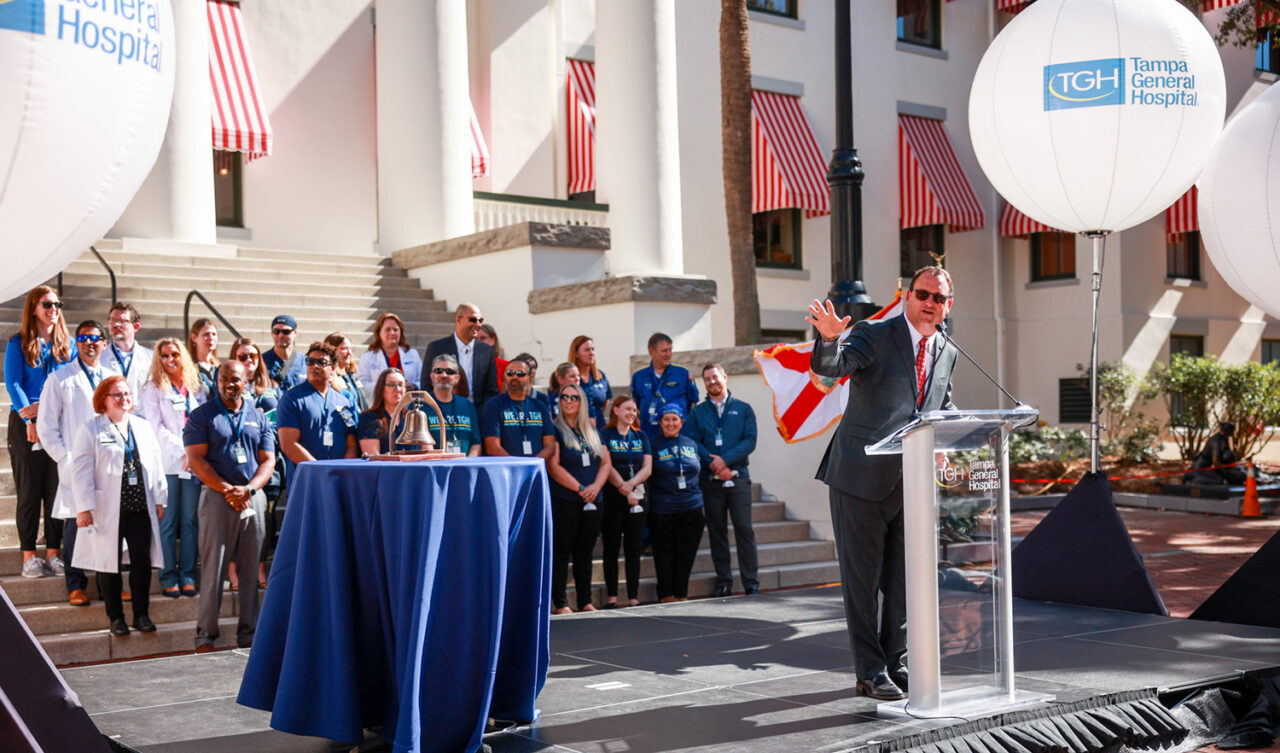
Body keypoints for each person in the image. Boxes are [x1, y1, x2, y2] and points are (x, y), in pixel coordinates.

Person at [805, 265, 959, 701]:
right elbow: (832, 367)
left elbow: (940, 405)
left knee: (903, 581)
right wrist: (831, 338)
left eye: (939, 298)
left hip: (909, 479)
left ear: (949, 306)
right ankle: (870, 671)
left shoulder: (947, 349)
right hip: (858, 475)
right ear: (908, 297)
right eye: (923, 294)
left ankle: (898, 662)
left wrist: (947, 437)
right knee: (863, 582)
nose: (930, 303)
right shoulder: (875, 334)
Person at [183, 361, 277, 652]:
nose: (229, 384)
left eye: (235, 379)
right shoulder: (202, 416)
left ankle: (249, 633)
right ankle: (205, 636)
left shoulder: (258, 417)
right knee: (214, 568)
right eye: (224, 379)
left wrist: (248, 489)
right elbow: (196, 460)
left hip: (252, 497)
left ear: (246, 381)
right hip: (216, 498)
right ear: (218, 381)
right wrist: (227, 489)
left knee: (251, 568)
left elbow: (268, 460)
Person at [70, 376, 167, 636]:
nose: (124, 399)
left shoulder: (142, 426)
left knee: (142, 563)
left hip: (139, 508)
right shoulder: (90, 429)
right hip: (106, 510)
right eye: (117, 395)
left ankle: (142, 615)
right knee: (108, 564)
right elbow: (80, 472)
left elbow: (155, 464)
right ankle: (116, 618)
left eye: (127, 394)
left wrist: (160, 498)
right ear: (104, 399)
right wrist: (84, 508)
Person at [37, 320, 119, 607]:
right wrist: (65, 457)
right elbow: (46, 426)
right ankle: (76, 584)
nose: (89, 342)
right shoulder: (59, 379)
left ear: (104, 343)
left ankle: (108, 584)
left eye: (95, 338)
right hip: (75, 462)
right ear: (77, 343)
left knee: (108, 523)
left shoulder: (113, 377)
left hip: (108, 460)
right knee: (76, 524)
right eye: (83, 338)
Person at [6, 285, 76, 579]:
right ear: (33, 308)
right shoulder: (18, 342)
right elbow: (14, 384)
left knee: (56, 490)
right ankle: (28, 556)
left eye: (57, 304)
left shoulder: (68, 344)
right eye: (47, 304)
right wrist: (30, 420)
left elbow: (72, 380)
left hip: (59, 423)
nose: (53, 309)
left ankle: (53, 553)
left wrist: (48, 409)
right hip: (26, 425)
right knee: (30, 493)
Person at [685, 363, 759, 597]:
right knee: (717, 532)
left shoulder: (744, 409)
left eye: (715, 377)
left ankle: (751, 583)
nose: (712, 382)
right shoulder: (697, 412)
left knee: (744, 530)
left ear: (725, 378)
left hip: (738, 480)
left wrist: (724, 461)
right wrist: (712, 461)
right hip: (710, 481)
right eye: (707, 379)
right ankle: (724, 581)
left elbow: (750, 441)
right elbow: (691, 440)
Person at [138, 338, 205, 598]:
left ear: (183, 356)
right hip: (168, 463)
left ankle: (188, 574)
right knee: (168, 521)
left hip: (194, 464)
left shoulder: (195, 386)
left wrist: (195, 452)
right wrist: (184, 450)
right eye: (164, 356)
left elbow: (201, 421)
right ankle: (168, 575)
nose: (170, 360)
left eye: (174, 354)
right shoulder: (152, 387)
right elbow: (156, 428)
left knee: (190, 521)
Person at [546, 383, 612, 613]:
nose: (569, 401)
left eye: (574, 397)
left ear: (582, 402)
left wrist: (595, 487)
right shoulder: (555, 429)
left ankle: (585, 600)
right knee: (562, 552)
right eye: (564, 397)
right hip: (566, 499)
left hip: (594, 500)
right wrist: (580, 488)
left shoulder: (594, 431)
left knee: (585, 552)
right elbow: (553, 466)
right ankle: (561, 603)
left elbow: (605, 462)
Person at [648, 403, 706, 603]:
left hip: (691, 508)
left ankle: (682, 593)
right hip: (663, 509)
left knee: (686, 554)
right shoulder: (653, 445)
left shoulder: (691, 443)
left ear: (681, 422)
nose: (671, 423)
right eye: (666, 419)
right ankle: (666, 594)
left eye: (675, 419)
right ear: (660, 422)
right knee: (664, 553)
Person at [600, 395, 652, 608]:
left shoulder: (641, 436)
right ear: (616, 410)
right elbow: (606, 463)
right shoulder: (605, 434)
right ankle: (612, 596)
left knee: (633, 547)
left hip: (637, 495)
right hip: (613, 496)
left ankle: (633, 596)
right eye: (627, 409)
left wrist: (631, 485)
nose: (632, 413)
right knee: (611, 547)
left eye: (634, 410)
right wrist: (622, 486)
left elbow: (647, 468)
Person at [277, 341, 359, 474]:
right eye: (310, 361)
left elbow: (351, 444)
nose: (314, 366)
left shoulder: (345, 402)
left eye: (321, 363)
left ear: (333, 368)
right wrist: (318, 471)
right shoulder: (292, 398)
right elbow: (288, 444)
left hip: (339, 478)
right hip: (307, 479)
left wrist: (343, 471)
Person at [424, 303, 499, 412]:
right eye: (473, 319)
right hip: (443, 414)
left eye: (480, 320)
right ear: (458, 320)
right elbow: (427, 385)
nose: (477, 324)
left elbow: (491, 390)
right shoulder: (437, 348)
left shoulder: (486, 351)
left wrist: (481, 414)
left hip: (476, 415)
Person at [630, 332, 698, 441]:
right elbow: (635, 404)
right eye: (664, 351)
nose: (669, 354)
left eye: (670, 350)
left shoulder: (683, 374)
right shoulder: (638, 377)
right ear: (652, 351)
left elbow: (693, 402)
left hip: (678, 434)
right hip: (649, 434)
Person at [481, 359, 554, 459]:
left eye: (520, 374)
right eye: (510, 373)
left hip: (535, 469)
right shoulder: (493, 405)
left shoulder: (540, 406)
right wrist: (517, 466)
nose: (514, 377)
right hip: (507, 470)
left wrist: (534, 464)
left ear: (529, 377)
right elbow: (492, 447)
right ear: (505, 376)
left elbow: (550, 445)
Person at [425, 354, 482, 456]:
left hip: (464, 468)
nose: (444, 375)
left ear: (457, 378)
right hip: (434, 468)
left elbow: (476, 444)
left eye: (449, 372)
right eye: (438, 371)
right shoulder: (420, 405)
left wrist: (467, 467)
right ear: (432, 376)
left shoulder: (468, 405)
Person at [357, 312, 422, 401]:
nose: (392, 333)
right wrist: (384, 386)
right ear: (379, 332)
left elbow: (422, 380)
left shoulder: (412, 354)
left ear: (401, 332)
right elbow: (361, 385)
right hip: (380, 408)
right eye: (388, 329)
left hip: (408, 407)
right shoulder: (368, 357)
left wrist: (414, 386)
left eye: (395, 329)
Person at [100, 303, 154, 400]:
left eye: (122, 321)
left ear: (136, 327)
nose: (116, 324)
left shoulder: (151, 358)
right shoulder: (99, 357)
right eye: (113, 320)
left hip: (143, 414)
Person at [356, 368, 416, 455]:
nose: (398, 389)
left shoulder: (414, 417)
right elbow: (373, 458)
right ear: (381, 389)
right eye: (391, 385)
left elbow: (428, 453)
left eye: (401, 385)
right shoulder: (369, 418)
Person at [569, 335, 612, 422]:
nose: (591, 353)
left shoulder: (600, 376)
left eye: (593, 349)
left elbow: (606, 400)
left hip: (599, 427)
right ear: (576, 353)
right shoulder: (570, 376)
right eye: (587, 350)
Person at [549, 362, 603, 427]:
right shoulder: (550, 400)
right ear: (560, 380)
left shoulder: (584, 397)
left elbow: (591, 422)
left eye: (578, 376)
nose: (577, 379)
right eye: (572, 376)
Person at [325, 332, 368, 413]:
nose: (349, 353)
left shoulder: (352, 374)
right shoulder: (329, 378)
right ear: (331, 350)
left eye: (351, 349)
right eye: (344, 348)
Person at [261, 314, 306, 390]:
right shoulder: (261, 362)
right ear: (272, 333)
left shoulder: (305, 362)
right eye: (276, 331)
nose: (281, 335)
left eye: (286, 331)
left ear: (295, 333)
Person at [188, 318, 219, 395]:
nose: (211, 338)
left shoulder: (219, 367)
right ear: (194, 338)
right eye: (206, 334)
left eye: (214, 334)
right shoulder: (188, 368)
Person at [476, 323, 507, 392]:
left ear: (493, 340)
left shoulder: (505, 366)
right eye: (475, 339)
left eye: (483, 338)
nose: (478, 342)